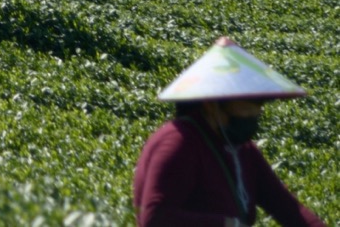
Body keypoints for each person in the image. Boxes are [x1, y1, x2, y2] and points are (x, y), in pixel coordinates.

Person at [132, 37, 327, 227]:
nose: (256, 112)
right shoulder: (178, 142)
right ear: (211, 104)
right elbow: (157, 218)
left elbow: (288, 209)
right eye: (248, 104)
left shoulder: (243, 150)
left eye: (259, 103)